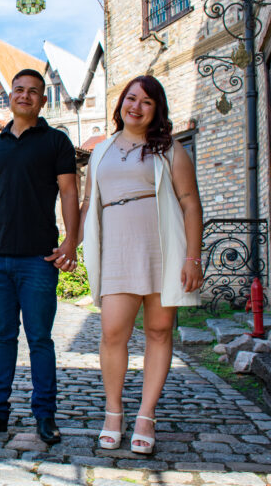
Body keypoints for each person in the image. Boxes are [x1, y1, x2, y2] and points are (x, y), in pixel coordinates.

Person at [79, 75, 203, 454]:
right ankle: (113, 412)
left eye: (146, 102)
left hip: (161, 245)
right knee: (113, 331)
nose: (136, 106)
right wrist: (73, 244)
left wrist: (193, 258)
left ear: (156, 110)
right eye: (131, 98)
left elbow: (189, 203)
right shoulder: (100, 150)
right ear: (120, 104)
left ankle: (146, 415)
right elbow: (88, 203)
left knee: (159, 330)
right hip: (116, 245)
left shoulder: (171, 149)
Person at [0, 68, 80, 444]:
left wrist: (70, 242)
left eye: (33, 91)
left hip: (38, 261)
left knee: (40, 339)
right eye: (19, 90)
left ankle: (45, 415)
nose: (25, 96)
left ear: (43, 100)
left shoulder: (56, 142)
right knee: (2, 337)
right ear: (10, 96)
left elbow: (69, 194)